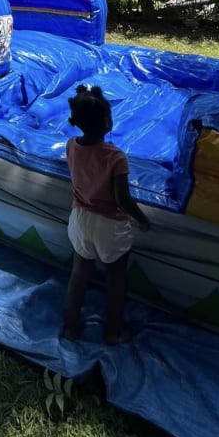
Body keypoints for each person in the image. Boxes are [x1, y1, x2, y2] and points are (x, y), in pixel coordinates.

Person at [62, 84, 149, 344]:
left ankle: (71, 326)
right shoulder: (115, 157)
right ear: (107, 122)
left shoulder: (71, 145)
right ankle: (113, 331)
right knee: (116, 279)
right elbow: (123, 199)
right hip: (110, 226)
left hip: (80, 219)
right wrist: (142, 220)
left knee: (79, 273)